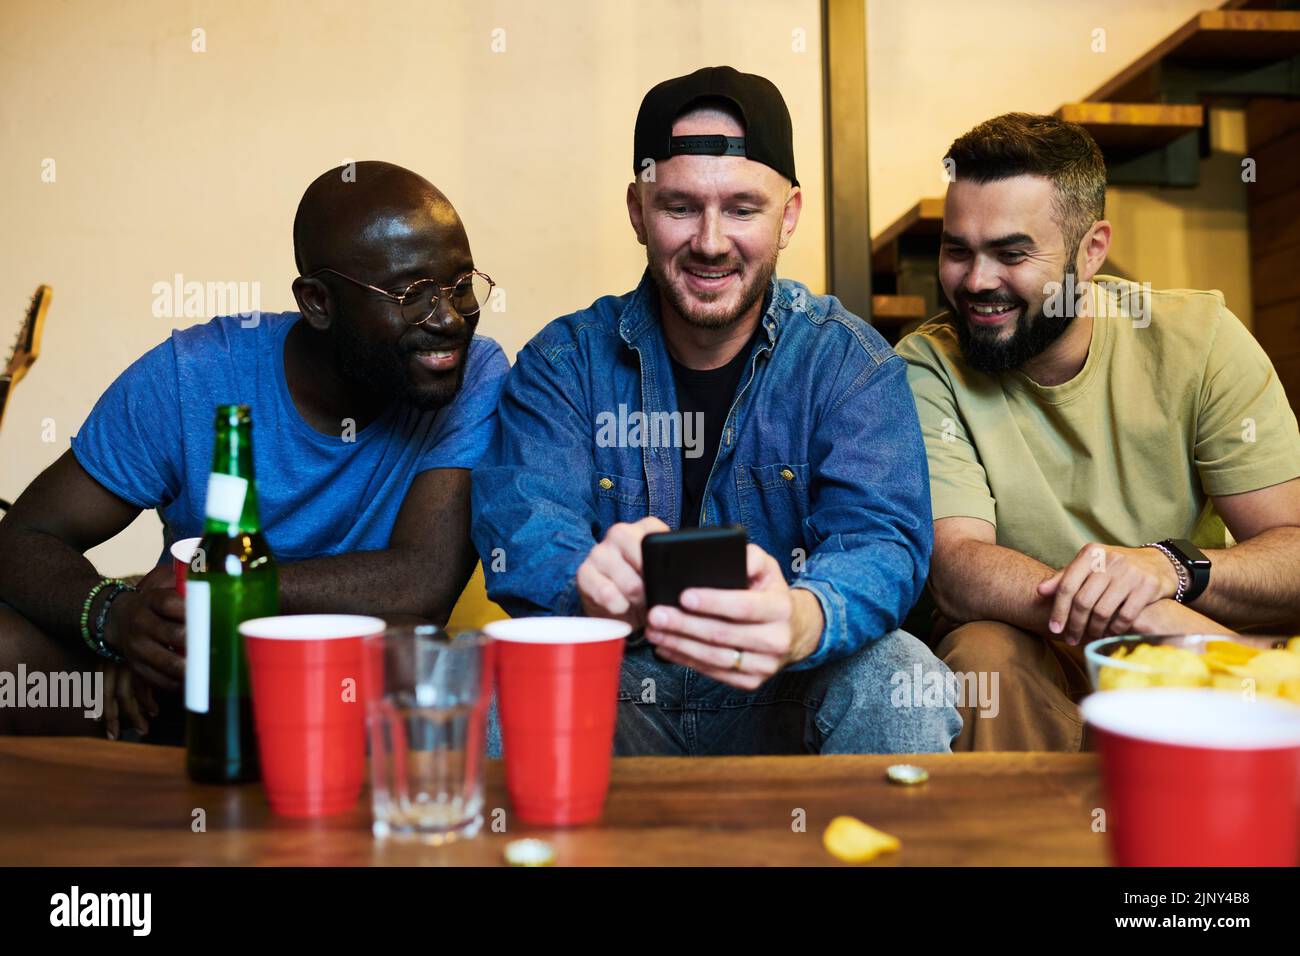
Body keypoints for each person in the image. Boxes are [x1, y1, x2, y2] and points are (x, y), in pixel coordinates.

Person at [472, 66, 961, 755]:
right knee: (484, 670)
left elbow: (882, 540)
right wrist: (583, 586)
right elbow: (521, 527)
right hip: (616, 692)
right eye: (678, 207)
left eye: (741, 209)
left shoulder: (849, 363)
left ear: (788, 215)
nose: (709, 240)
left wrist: (802, 615)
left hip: (781, 687)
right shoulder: (563, 362)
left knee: (899, 674)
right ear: (638, 211)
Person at [0, 161, 508, 739]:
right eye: (411, 294)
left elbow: (422, 581)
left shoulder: (475, 374)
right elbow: (21, 538)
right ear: (318, 302)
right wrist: (116, 620)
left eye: (461, 285)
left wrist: (211, 596)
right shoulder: (194, 375)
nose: (447, 318)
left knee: (407, 649)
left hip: (315, 681)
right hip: (174, 673)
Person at [896, 113, 1300, 751]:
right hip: (1042, 654)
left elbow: (1293, 551)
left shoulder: (1201, 339)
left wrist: (1171, 572)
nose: (976, 282)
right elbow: (956, 567)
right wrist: (1142, 610)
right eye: (957, 250)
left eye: (1011, 253)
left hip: (1185, 642)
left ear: (1092, 250)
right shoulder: (925, 366)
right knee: (983, 654)